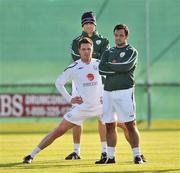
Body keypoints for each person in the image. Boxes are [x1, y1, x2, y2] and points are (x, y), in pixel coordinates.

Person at [23, 38, 106, 164]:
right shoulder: (74, 67)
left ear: (92, 49)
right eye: (83, 49)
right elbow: (59, 83)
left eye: (88, 49)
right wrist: (70, 99)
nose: (86, 51)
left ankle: (116, 153)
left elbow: (109, 77)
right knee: (59, 131)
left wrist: (105, 94)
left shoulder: (99, 63)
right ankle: (32, 154)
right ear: (79, 50)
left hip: (100, 106)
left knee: (125, 125)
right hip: (82, 108)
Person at [67, 11, 130, 162]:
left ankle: (104, 151)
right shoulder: (76, 41)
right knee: (76, 115)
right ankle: (76, 151)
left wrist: (94, 60)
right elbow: (80, 60)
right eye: (86, 23)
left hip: (99, 81)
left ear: (95, 24)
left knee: (103, 116)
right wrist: (94, 59)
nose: (89, 25)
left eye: (91, 23)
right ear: (82, 25)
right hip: (80, 82)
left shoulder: (104, 41)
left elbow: (104, 60)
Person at [98, 24, 146, 164]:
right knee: (109, 125)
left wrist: (112, 67)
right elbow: (101, 69)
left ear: (126, 36)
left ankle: (137, 155)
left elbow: (126, 66)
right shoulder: (108, 51)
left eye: (121, 35)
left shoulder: (132, 51)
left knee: (130, 124)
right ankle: (111, 157)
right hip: (108, 91)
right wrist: (119, 69)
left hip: (125, 91)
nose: (118, 38)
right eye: (116, 35)